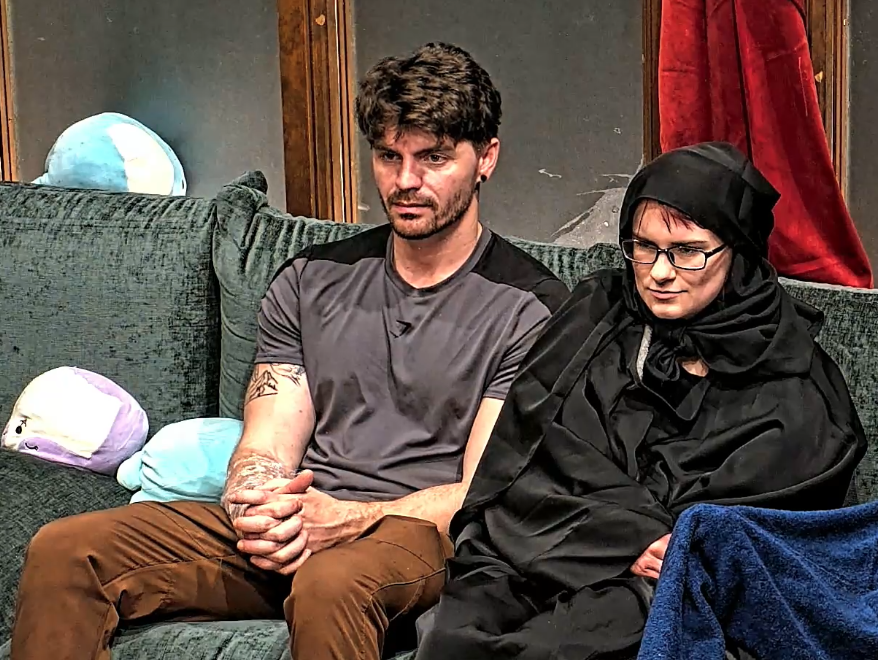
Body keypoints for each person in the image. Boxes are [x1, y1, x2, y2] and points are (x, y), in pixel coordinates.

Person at [9, 42, 569, 660]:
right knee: (67, 552)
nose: (406, 181)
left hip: (418, 537)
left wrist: (350, 519)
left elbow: (482, 493)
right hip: (300, 525)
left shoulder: (531, 307)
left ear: (486, 157)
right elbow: (268, 441)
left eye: (433, 158)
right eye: (389, 156)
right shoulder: (310, 279)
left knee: (330, 582)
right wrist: (258, 500)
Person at [414, 142, 867, 660]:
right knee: (454, 634)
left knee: (558, 647)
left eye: (687, 251)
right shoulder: (596, 318)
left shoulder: (792, 374)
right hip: (553, 545)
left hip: (669, 582)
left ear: (738, 251)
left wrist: (661, 543)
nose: (658, 273)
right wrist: (626, 535)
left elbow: (762, 524)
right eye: (644, 246)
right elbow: (530, 458)